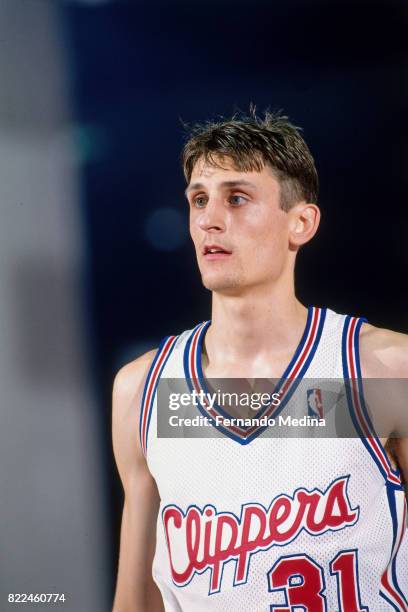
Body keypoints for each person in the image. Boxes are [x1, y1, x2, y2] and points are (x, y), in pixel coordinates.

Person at [112, 109, 408, 611]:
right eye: (199, 200)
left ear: (302, 223)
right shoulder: (144, 390)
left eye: (237, 198)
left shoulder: (382, 369)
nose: (209, 219)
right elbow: (138, 600)